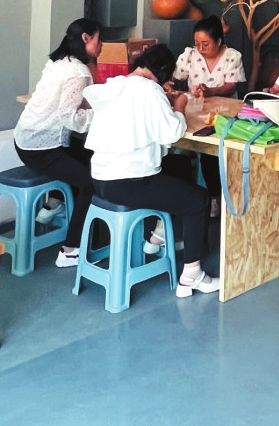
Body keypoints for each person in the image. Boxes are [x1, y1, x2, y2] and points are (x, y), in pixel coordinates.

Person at [83, 44, 219, 297]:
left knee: (179, 166)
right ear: (164, 72)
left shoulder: (117, 84)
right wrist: (178, 106)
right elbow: (171, 133)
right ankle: (192, 275)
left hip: (102, 177)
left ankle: (158, 236)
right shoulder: (149, 90)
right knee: (198, 199)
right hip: (129, 181)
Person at [14, 19, 101, 269]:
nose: (102, 46)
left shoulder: (58, 62)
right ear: (86, 38)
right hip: (41, 148)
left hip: (25, 139)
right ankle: (70, 250)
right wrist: (99, 113)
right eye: (99, 40)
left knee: (89, 157)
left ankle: (55, 204)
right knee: (90, 183)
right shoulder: (79, 72)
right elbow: (69, 117)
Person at [171, 16, 245, 98]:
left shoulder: (232, 56)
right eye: (197, 43)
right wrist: (167, 84)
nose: (200, 49)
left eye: (205, 44)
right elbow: (174, 77)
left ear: (218, 42)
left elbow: (231, 86)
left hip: (224, 105)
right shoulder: (190, 55)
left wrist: (211, 91)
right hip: (196, 104)